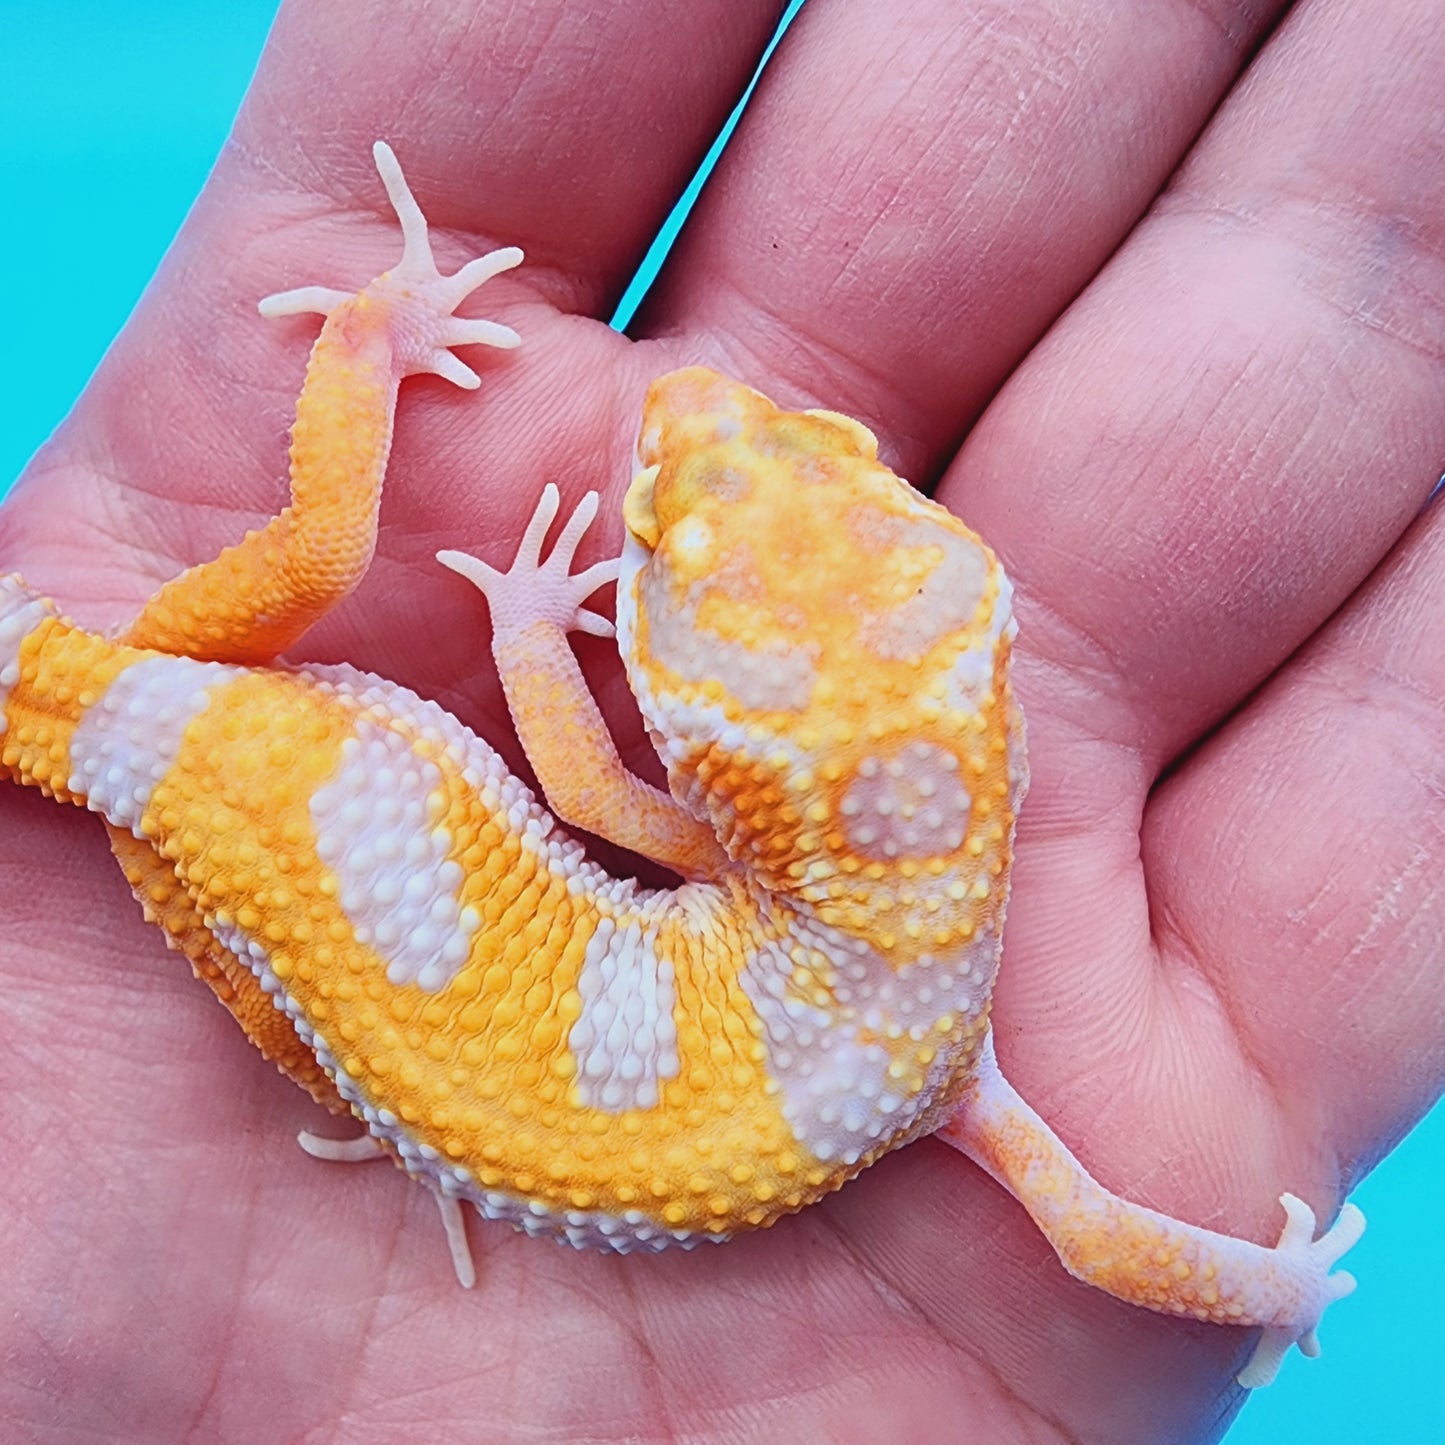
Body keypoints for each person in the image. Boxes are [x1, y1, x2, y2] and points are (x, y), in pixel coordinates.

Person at [1, 0, 1440, 1438]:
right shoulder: (935, 1056)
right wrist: (1279, 1284)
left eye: (657, 546)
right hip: (271, 863)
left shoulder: (878, 1011)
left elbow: (594, 796)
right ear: (971, 689)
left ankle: (367, 334)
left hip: (259, 787)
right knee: (288, 930)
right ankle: (388, 1096)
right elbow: (1094, 1241)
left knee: (317, 566)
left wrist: (1274, 1280)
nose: (707, 417)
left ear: (720, 763)